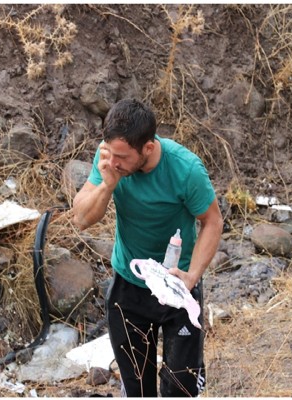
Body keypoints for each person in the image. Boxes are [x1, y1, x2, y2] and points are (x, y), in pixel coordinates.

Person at [71, 99, 222, 397]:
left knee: (180, 387)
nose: (114, 162)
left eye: (123, 157)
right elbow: (81, 218)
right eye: (111, 153)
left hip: (177, 286)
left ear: (148, 148)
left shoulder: (185, 169)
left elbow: (213, 222)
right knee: (138, 388)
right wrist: (107, 185)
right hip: (129, 287)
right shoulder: (110, 161)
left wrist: (192, 276)